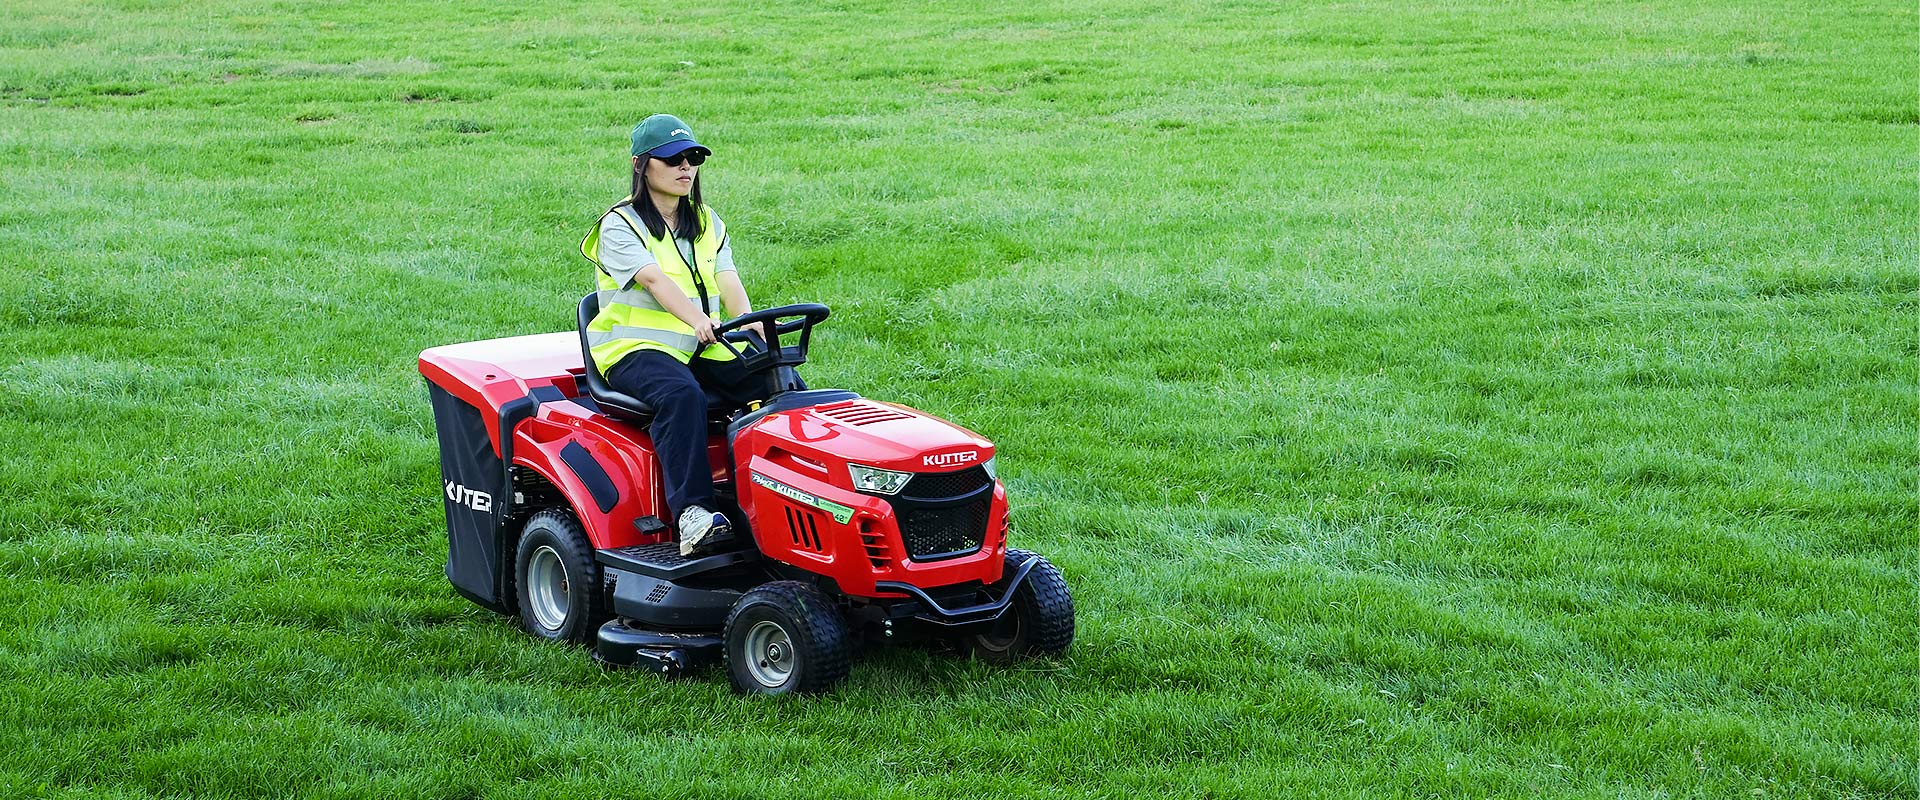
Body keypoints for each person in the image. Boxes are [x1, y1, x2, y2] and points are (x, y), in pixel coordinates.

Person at [579, 114, 768, 556]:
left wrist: (755, 327)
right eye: (672, 159)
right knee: (683, 396)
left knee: (776, 381)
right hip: (634, 349)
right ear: (641, 165)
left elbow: (729, 281)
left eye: (693, 158)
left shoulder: (707, 221)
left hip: (700, 343)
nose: (686, 167)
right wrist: (698, 320)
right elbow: (654, 282)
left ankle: (774, 497)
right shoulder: (620, 225)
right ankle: (695, 517)